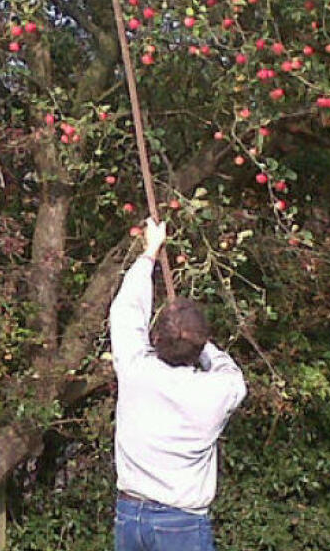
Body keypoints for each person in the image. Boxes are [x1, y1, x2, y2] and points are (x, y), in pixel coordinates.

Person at [108, 217, 247, 551]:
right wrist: (201, 345)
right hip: (181, 524)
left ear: (156, 338)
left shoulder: (135, 370)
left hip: (129, 517)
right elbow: (232, 374)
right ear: (201, 345)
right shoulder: (215, 392)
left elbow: (126, 310)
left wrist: (149, 253)